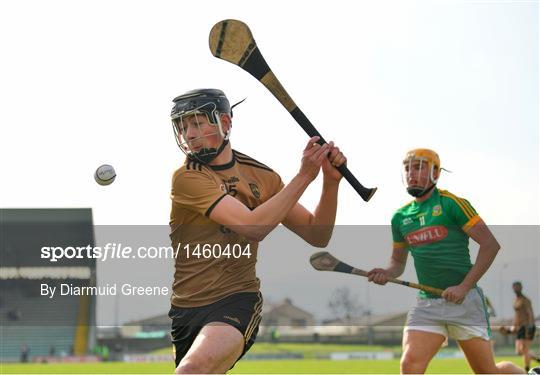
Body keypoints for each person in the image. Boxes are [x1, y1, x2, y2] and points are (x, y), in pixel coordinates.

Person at [168, 89, 346, 373]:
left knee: (192, 370)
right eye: (183, 126)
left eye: (198, 123)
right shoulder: (188, 177)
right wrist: (303, 177)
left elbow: (316, 234)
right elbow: (253, 227)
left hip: (236, 299)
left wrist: (330, 183)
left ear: (225, 122)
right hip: (186, 308)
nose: (189, 134)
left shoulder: (262, 177)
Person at [367, 148, 524, 374]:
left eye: (419, 167)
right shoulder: (400, 217)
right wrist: (386, 272)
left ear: (436, 173)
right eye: (408, 168)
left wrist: (463, 287)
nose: (411, 173)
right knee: (409, 364)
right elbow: (397, 263)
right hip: (427, 303)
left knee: (488, 372)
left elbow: (490, 245)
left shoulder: (452, 204)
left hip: (465, 301)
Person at [500, 281, 539, 372]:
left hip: (526, 327)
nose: (516, 289)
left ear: (521, 287)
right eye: (514, 287)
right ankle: (536, 358)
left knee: (525, 349)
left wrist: (530, 327)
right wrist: (512, 327)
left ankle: (527, 369)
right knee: (519, 351)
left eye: (517, 287)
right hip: (519, 327)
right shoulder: (516, 300)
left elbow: (530, 314)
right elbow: (517, 316)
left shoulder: (525, 300)